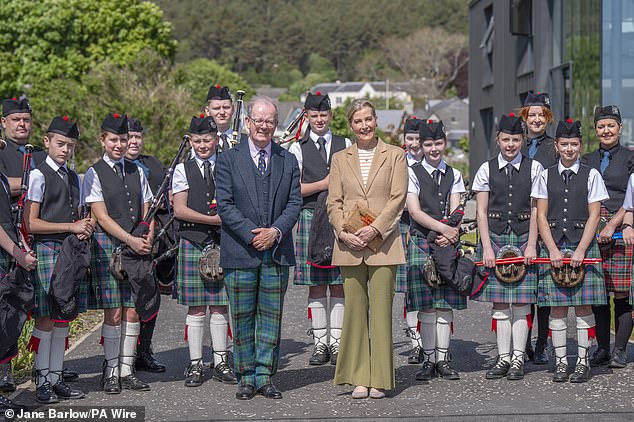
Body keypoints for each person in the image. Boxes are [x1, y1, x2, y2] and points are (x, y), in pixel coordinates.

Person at [216, 97, 301, 400]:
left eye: (270, 121)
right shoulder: (227, 159)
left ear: (276, 124)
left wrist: (275, 232)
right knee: (241, 318)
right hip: (240, 251)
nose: (264, 126)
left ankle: (265, 375)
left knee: (270, 317)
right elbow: (224, 206)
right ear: (247, 122)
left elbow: (294, 203)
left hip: (276, 252)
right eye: (258, 120)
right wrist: (253, 235)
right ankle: (245, 377)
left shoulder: (287, 159)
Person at [328, 99, 408, 399]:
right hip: (349, 246)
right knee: (355, 313)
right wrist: (342, 232)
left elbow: (398, 198)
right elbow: (333, 202)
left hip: (384, 245)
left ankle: (380, 378)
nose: (364, 126)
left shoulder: (396, 155)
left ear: (376, 121)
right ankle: (359, 377)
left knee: (381, 315)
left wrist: (375, 228)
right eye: (358, 121)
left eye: (368, 120)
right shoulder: (339, 159)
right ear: (351, 125)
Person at [532, 118, 608, 383]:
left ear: (580, 145)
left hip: (581, 244)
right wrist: (551, 248)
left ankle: (583, 362)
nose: (569, 149)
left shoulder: (592, 174)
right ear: (556, 145)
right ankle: (562, 362)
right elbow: (541, 216)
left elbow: (595, 215)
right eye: (564, 144)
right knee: (557, 308)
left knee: (584, 305)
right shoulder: (544, 175)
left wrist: (582, 250)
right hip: (555, 245)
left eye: (574, 144)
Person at [83, 113, 154, 394]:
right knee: (113, 313)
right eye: (113, 139)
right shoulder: (94, 172)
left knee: (133, 311)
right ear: (103, 140)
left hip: (137, 247)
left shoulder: (137, 170)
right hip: (109, 248)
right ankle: (111, 371)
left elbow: (147, 205)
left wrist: (147, 233)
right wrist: (130, 240)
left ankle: (127, 370)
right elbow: (100, 216)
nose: (119, 144)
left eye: (123, 139)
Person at [24, 116, 92, 404]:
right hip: (47, 250)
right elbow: (32, 223)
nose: (65, 150)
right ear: (47, 142)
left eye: (71, 146)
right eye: (61, 144)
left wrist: (84, 224)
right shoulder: (38, 175)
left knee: (63, 316)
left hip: (69, 253)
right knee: (46, 319)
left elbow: (76, 216)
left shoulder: (74, 178)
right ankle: (41, 381)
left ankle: (56, 377)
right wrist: (72, 227)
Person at [472, 113, 543, 381]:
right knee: (500, 302)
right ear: (497, 140)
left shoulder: (534, 168)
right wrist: (486, 247)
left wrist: (532, 245)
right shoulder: (485, 169)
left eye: (515, 139)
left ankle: (518, 359)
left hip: (525, 237)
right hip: (497, 237)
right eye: (505, 140)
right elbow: (481, 212)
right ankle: (503, 358)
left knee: (523, 301)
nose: (510, 145)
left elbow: (537, 210)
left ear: (522, 140)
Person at [172, 114, 236, 387]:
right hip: (194, 240)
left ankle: (221, 361)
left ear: (216, 139)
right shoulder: (181, 169)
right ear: (190, 141)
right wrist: (214, 220)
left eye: (207, 140)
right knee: (197, 308)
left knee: (220, 306)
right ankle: (196, 364)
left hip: (224, 242)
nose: (202, 145)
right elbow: (179, 209)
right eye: (197, 141)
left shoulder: (227, 164)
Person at [289, 92, 351, 366]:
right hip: (309, 216)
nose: (319, 120)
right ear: (306, 116)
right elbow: (296, 189)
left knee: (338, 285)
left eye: (323, 115)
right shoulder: (296, 148)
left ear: (331, 115)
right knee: (316, 285)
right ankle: (320, 344)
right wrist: (326, 183)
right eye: (314, 116)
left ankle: (337, 344)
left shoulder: (345, 143)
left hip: (339, 217)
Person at [407, 119, 466, 382]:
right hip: (422, 241)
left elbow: (456, 211)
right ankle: (428, 360)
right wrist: (443, 230)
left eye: (438, 143)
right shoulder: (411, 172)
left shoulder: (454, 174)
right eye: (428, 144)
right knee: (426, 306)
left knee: (444, 305)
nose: (434, 149)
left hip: (447, 243)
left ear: (444, 143)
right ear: (421, 145)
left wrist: (450, 232)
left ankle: (443, 359)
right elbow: (414, 211)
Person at [581, 105, 634, 368]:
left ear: (620, 128)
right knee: (598, 294)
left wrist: (620, 224)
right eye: (601, 127)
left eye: (611, 126)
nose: (606, 131)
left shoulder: (630, 157)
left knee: (622, 293)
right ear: (596, 131)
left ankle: (620, 350)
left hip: (622, 230)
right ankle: (602, 348)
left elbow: (633, 196)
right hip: (593, 230)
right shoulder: (587, 159)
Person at [0, 97, 47, 392]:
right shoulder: (2, 152)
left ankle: (47, 369)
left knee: (33, 307)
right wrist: (31, 182)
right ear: (4, 123)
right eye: (15, 120)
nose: (21, 124)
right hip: (9, 238)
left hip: (36, 238)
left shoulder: (40, 154)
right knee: (5, 309)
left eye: (26, 120)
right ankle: (5, 371)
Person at [125, 118, 168, 374]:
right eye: (129, 136)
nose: (133, 141)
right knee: (124, 304)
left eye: (137, 137)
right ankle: (123, 356)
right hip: (124, 239)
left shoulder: (153, 164)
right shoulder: (114, 166)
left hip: (152, 238)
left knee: (150, 298)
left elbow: (167, 197)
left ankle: (144, 351)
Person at [518, 92, 557, 364]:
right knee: (523, 289)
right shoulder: (514, 145)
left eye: (541, 115)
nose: (536, 119)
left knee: (542, 289)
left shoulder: (555, 146)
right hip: (520, 221)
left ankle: (542, 344)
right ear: (525, 117)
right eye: (531, 115)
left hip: (547, 219)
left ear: (548, 118)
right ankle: (524, 342)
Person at [0, 142, 38, 413]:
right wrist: (18, 254)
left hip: (7, 256)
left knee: (6, 324)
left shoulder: (1, 178)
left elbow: (9, 221)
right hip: (6, 255)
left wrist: (22, 245)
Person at [401, 117, 422, 365]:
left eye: (418, 139)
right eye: (410, 139)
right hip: (401, 226)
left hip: (423, 227)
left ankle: (432, 342)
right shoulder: (398, 162)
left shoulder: (430, 163)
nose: (414, 144)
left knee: (428, 284)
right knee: (409, 288)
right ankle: (415, 342)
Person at [205, 85, 247, 150]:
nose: (222, 112)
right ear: (207, 111)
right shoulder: (201, 141)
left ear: (233, 109)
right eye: (216, 108)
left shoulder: (245, 141)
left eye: (226, 107)